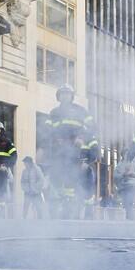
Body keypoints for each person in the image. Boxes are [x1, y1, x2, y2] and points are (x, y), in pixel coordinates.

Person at [43, 85, 95, 219]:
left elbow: (91, 127)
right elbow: (47, 131)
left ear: (72, 96)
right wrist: (44, 148)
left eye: (67, 94)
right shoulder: (54, 112)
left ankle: (70, 205)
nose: (65, 96)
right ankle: (65, 203)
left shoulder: (81, 111)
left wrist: (81, 137)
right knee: (58, 176)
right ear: (58, 96)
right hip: (59, 150)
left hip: (75, 149)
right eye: (62, 94)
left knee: (71, 177)